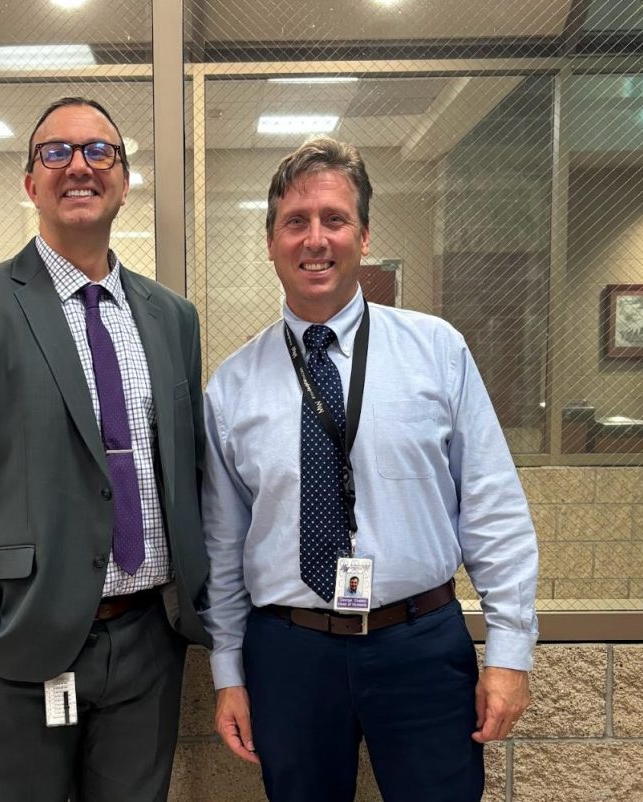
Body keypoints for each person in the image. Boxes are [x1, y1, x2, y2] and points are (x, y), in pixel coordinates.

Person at [200, 137, 538, 802]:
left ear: (364, 233)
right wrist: (228, 671)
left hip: (419, 642)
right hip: (289, 654)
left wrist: (510, 651)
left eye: (334, 219)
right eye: (295, 222)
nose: (315, 239)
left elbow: (492, 503)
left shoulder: (436, 351)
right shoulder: (232, 386)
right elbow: (222, 544)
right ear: (270, 240)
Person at [0, 97, 211, 802]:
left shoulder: (172, 318)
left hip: (147, 643)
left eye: (99, 151)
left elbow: (185, 469)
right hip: (19, 639)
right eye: (56, 152)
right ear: (30, 182)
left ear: (124, 180)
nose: (79, 165)